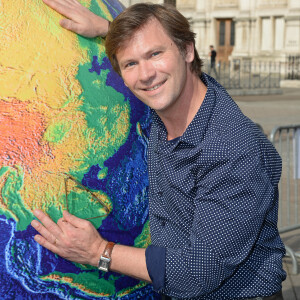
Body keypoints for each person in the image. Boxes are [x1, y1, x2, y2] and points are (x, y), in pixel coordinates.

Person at [32, 1, 286, 299]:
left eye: (155, 54)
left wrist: (97, 251)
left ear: (188, 51)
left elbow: (194, 274)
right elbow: (149, 53)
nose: (145, 74)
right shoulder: (172, 107)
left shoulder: (230, 149)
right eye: (130, 63)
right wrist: (107, 27)